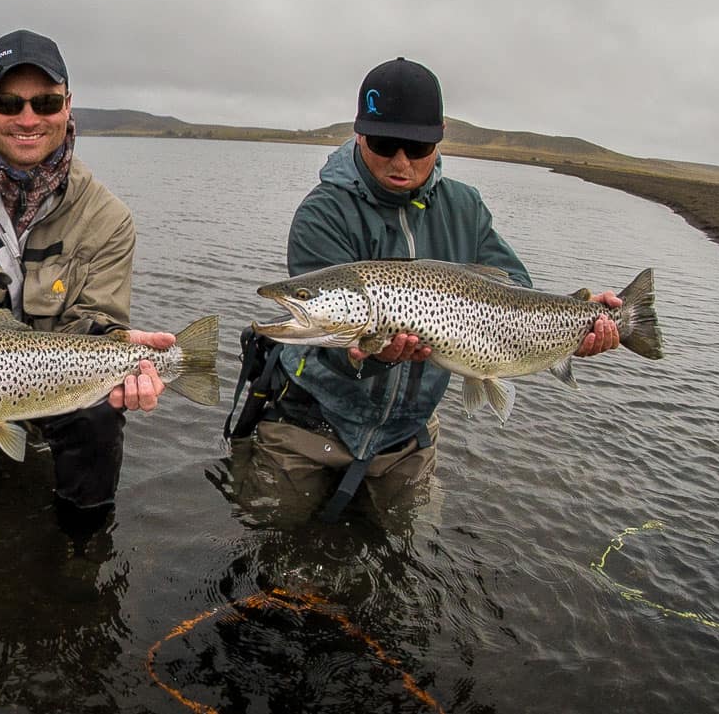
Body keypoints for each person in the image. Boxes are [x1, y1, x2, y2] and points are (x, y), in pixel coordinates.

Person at [229, 57, 621, 525]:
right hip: (309, 425)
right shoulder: (323, 214)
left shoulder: (464, 207)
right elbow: (326, 343)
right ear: (359, 134)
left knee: (397, 560)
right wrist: (367, 354)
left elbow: (517, 291)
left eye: (416, 147)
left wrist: (578, 320)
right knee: (270, 544)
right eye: (384, 143)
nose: (400, 161)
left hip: (406, 437)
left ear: (437, 142)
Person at [0, 29, 175, 517]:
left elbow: (98, 320)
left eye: (45, 103)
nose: (28, 119)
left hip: (62, 383)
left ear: (68, 106)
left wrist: (120, 346)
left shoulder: (108, 217)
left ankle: (81, 544)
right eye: (8, 102)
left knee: (98, 421)